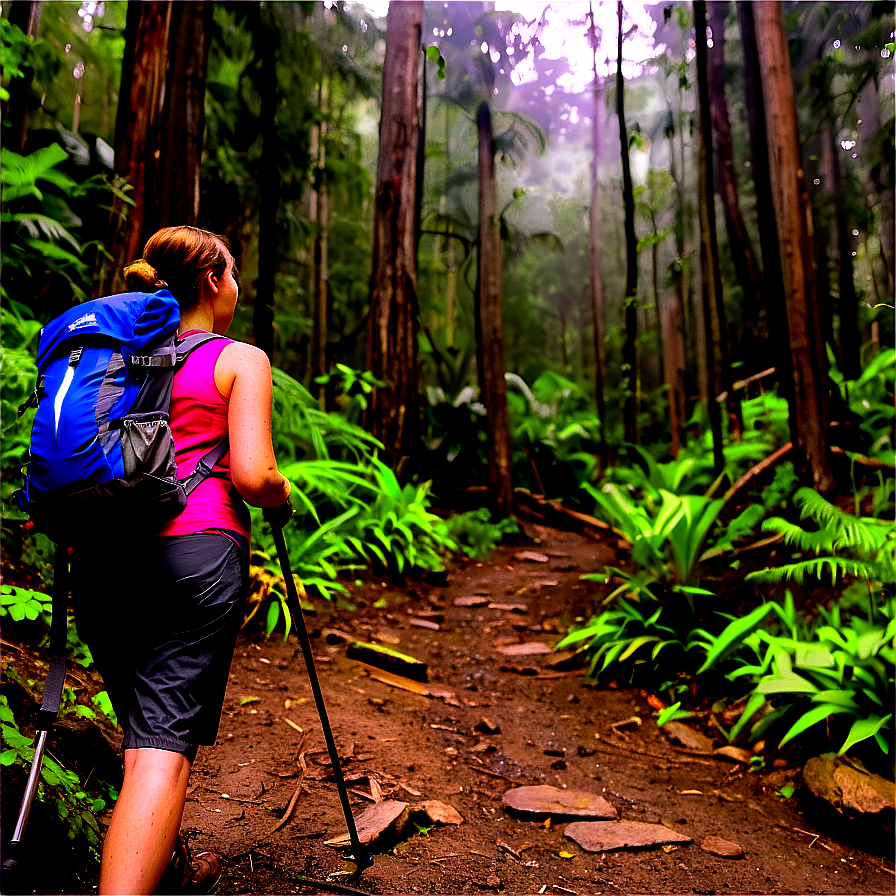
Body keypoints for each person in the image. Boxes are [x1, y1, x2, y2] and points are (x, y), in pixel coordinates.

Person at [71, 226, 291, 895]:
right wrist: (281, 494)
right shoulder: (239, 360)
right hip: (194, 560)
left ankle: (157, 858)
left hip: (102, 562)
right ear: (213, 283)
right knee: (159, 755)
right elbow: (254, 476)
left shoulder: (117, 355)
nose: (237, 288)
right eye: (235, 276)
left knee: (146, 735)